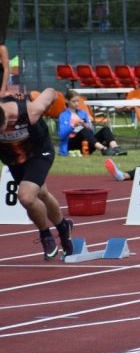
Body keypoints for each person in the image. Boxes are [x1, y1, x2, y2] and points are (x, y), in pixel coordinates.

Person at [0, 89, 76, 259]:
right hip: (14, 158)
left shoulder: (29, 110)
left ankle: (45, 235)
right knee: (41, 193)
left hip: (39, 153)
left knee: (26, 197)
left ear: (6, 118)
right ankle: (63, 227)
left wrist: (52, 104)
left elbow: (51, 92)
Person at [57, 90, 126, 156]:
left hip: (87, 143)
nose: (76, 103)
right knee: (82, 129)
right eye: (73, 101)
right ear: (67, 101)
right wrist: (73, 126)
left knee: (105, 129)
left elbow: (91, 132)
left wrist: (86, 125)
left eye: (78, 101)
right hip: (72, 144)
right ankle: (103, 149)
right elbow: (62, 136)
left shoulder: (83, 113)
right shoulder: (63, 115)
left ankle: (115, 148)